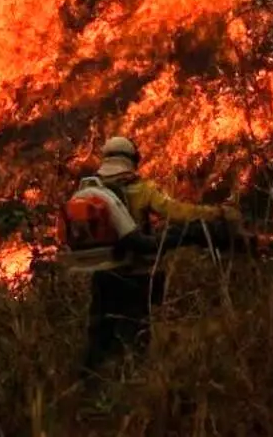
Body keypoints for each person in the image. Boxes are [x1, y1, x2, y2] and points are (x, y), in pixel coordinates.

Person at [63, 136, 243, 376]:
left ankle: (88, 388)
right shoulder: (141, 188)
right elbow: (177, 212)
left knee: (99, 334)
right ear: (132, 159)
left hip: (102, 274)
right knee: (136, 335)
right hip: (135, 274)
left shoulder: (88, 190)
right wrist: (216, 214)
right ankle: (133, 387)